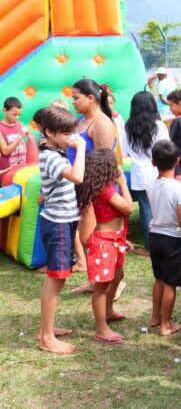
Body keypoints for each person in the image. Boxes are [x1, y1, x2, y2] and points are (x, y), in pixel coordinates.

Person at [35, 106, 86, 354]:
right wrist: (82, 149)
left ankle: (47, 328)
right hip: (58, 224)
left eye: (71, 132)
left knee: (56, 278)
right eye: (65, 133)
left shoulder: (55, 151)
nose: (70, 138)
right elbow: (77, 177)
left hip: (61, 221)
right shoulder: (52, 157)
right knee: (56, 279)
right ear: (49, 132)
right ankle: (46, 337)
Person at [77, 149, 133, 344]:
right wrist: (124, 184)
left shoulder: (102, 186)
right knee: (102, 286)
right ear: (108, 168)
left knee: (118, 276)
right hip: (104, 242)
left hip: (114, 240)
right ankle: (101, 329)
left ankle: (108, 311)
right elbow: (128, 207)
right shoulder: (106, 189)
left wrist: (122, 238)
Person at [68, 79, 118, 291]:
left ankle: (115, 281)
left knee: (92, 239)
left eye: (76, 98)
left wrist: (91, 195)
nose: (73, 102)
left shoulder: (102, 123)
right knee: (87, 239)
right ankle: (95, 280)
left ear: (90, 98)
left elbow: (105, 165)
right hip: (81, 189)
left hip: (94, 191)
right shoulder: (82, 120)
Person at [145, 140, 181, 336]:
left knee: (159, 279)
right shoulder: (180, 188)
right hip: (172, 238)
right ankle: (166, 324)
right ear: (178, 161)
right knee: (169, 284)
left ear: (153, 162)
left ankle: (155, 317)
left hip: (154, 236)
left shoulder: (150, 184)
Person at [123, 92, 169, 254]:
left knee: (146, 209)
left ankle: (151, 248)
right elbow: (165, 148)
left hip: (139, 174)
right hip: (158, 170)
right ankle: (164, 244)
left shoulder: (127, 126)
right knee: (162, 209)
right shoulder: (159, 126)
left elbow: (125, 151)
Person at [0, 97, 30, 183]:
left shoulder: (19, 124)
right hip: (6, 171)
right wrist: (20, 137)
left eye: (19, 115)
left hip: (20, 170)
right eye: (14, 114)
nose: (17, 117)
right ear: (5, 111)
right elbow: (5, 151)